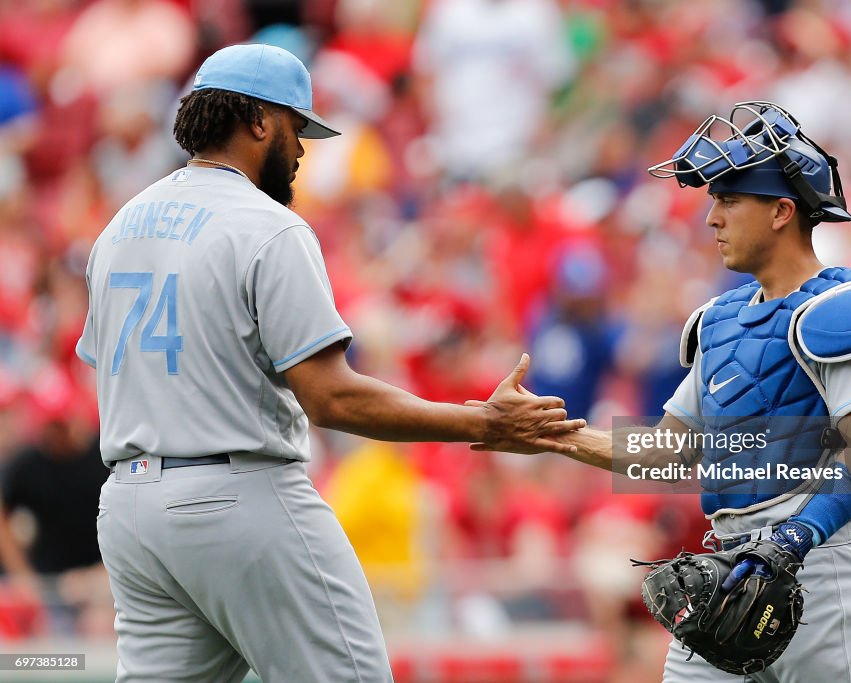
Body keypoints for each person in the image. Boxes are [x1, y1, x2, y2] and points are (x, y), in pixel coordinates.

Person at [74, 43, 584, 683]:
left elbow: (106, 369)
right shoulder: (268, 226)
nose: (302, 148)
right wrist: (483, 422)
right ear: (259, 121)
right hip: (236, 495)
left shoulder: (118, 228)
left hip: (129, 508)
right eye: (295, 126)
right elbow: (332, 399)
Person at [476, 101, 851, 681]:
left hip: (819, 566)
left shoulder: (844, 307)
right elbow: (664, 451)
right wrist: (552, 435)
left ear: (782, 211)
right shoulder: (719, 320)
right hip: (727, 564)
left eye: (729, 199)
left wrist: (791, 541)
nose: (712, 218)